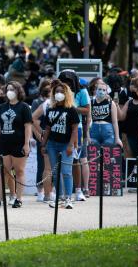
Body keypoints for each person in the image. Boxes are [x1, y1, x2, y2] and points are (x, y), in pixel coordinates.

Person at [41, 80, 79, 209]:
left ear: (66, 94)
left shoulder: (71, 110)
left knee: (66, 171)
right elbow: (47, 128)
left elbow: (75, 129)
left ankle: (68, 198)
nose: (59, 94)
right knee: (55, 171)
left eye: (61, 92)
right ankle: (59, 197)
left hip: (66, 144)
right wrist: (43, 144)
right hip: (52, 143)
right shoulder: (50, 108)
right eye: (56, 91)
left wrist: (70, 145)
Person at [0, 82, 32, 208]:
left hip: (19, 143)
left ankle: (18, 199)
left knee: (19, 171)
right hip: (5, 142)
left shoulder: (24, 107)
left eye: (12, 89)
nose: (9, 91)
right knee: (4, 171)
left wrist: (26, 144)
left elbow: (28, 127)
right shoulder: (2, 106)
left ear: (18, 91)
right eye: (8, 89)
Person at [58, 70, 90, 201]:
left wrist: (71, 107)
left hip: (76, 128)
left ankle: (78, 190)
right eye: (64, 81)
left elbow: (87, 110)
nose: (66, 84)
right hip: (59, 127)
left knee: (75, 159)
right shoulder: (58, 92)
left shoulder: (82, 92)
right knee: (59, 160)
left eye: (69, 81)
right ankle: (61, 192)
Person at [31, 79, 53, 202]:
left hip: (54, 138)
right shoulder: (38, 103)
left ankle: (50, 189)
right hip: (42, 137)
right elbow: (33, 121)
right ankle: (40, 190)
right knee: (41, 165)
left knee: (52, 165)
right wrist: (41, 136)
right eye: (46, 90)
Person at [89, 81, 123, 147]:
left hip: (108, 130)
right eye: (99, 89)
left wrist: (117, 138)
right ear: (95, 90)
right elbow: (88, 120)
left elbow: (115, 122)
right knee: (94, 155)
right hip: (94, 130)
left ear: (107, 92)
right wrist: (87, 136)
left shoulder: (111, 103)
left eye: (104, 90)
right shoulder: (91, 102)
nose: (101, 91)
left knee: (107, 154)